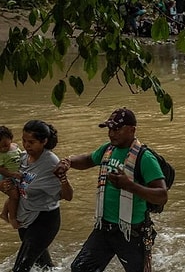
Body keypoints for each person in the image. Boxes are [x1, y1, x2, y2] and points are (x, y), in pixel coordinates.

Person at [58, 108, 168, 272]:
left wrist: (129, 185)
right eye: (110, 129)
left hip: (131, 232)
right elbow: (88, 160)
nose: (111, 133)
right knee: (80, 268)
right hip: (104, 227)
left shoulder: (145, 158)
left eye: (117, 129)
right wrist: (68, 162)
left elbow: (162, 196)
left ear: (132, 130)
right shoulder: (108, 150)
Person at [12, 120, 72, 272]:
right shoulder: (22, 158)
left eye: (31, 142)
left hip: (44, 220)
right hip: (26, 218)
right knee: (45, 268)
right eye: (24, 141)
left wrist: (64, 179)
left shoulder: (51, 163)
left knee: (20, 268)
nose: (26, 145)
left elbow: (67, 196)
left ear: (44, 141)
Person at [0, 126, 22, 229]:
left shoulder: (16, 147)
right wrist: (11, 174)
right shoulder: (1, 155)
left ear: (11, 139)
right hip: (6, 177)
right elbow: (1, 169)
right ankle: (12, 218)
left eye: (5, 145)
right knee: (14, 196)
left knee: (16, 196)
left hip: (16, 176)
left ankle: (4, 213)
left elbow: (22, 157)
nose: (3, 149)